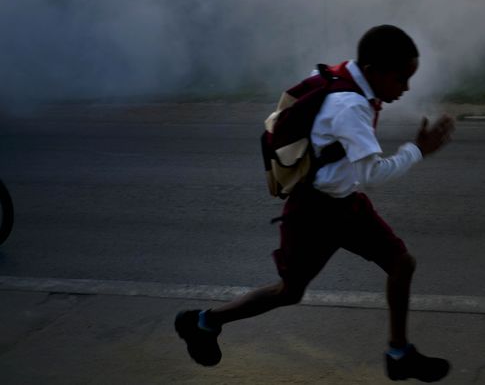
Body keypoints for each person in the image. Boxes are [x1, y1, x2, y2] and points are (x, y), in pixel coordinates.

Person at [175, 25, 455, 382]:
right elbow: (372, 173)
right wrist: (418, 150)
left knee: (402, 263)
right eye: (402, 78)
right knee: (289, 292)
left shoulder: (339, 77)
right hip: (314, 212)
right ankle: (203, 322)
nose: (406, 88)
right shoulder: (351, 104)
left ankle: (399, 354)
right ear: (372, 72)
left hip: (346, 203)